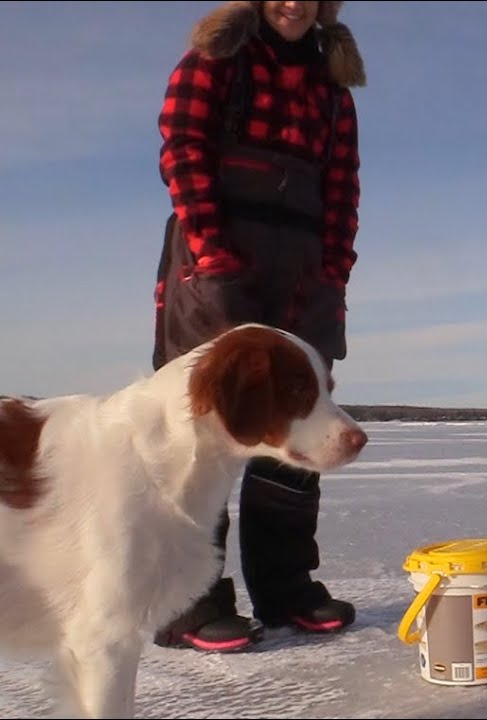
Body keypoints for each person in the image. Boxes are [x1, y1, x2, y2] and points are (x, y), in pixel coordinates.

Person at [150, 0, 365, 653]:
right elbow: (182, 149)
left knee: (306, 422)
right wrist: (213, 249)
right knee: (203, 428)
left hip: (303, 268)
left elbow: (342, 186)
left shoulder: (334, 89)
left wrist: (334, 271)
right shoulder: (217, 60)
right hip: (220, 259)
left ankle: (287, 587)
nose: (294, 4)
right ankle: (191, 601)